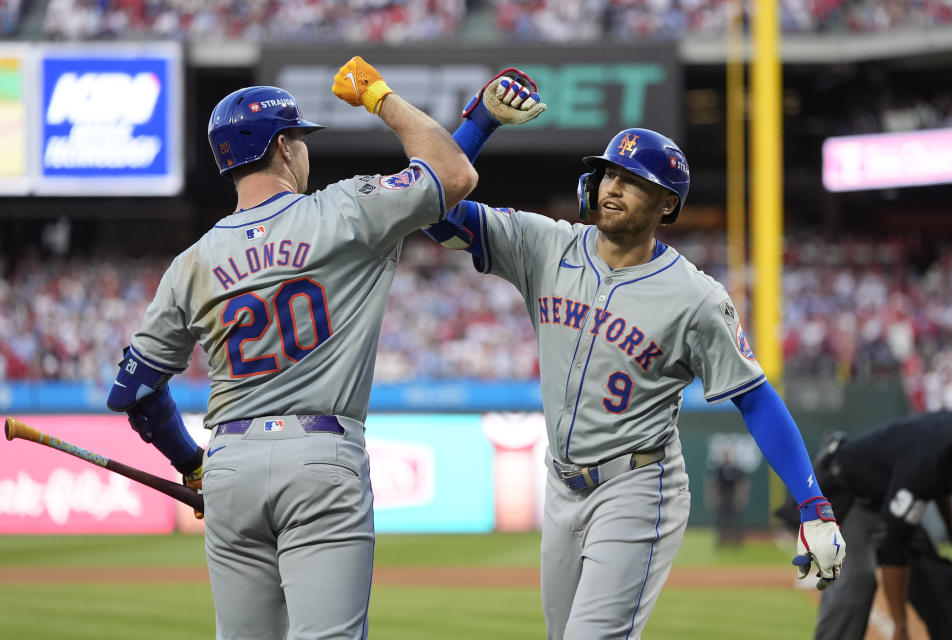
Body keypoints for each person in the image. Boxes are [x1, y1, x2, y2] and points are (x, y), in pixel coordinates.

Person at [423, 71, 847, 638]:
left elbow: (754, 397)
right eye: (608, 174)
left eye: (633, 180)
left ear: (667, 202)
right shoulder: (546, 246)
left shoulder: (695, 297)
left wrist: (812, 502)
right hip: (561, 483)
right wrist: (480, 123)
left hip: (636, 487)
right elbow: (433, 214)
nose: (612, 188)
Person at [105, 56, 477, 639]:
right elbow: (452, 173)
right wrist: (380, 98)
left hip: (229, 464)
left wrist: (191, 462)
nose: (305, 151)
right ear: (283, 147)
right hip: (320, 457)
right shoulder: (345, 210)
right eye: (300, 140)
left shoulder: (190, 264)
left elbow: (135, 391)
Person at [800, 414, 952, 640]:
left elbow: (941, 481)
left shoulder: (949, 443)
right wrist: (900, 625)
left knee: (939, 585)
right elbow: (895, 550)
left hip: (893, 493)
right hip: (852, 494)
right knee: (856, 582)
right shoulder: (922, 464)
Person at [706, 444, 750, 547]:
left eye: (727, 455)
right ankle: (721, 541)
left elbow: (743, 483)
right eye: (724, 455)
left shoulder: (735, 469)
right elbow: (712, 483)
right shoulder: (719, 469)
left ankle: (737, 541)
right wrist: (712, 497)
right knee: (721, 521)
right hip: (722, 497)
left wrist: (741, 496)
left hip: (733, 497)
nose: (726, 457)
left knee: (736, 521)